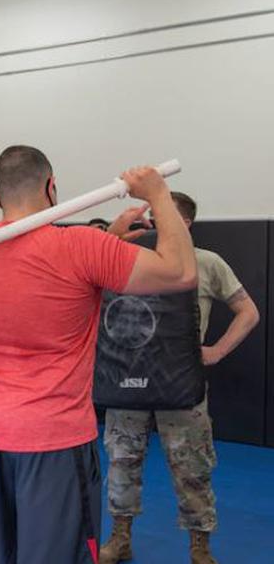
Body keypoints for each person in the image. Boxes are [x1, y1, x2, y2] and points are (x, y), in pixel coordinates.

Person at [0, 145, 198, 564]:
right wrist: (157, 194)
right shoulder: (81, 248)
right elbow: (180, 271)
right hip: (54, 438)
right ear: (52, 187)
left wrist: (109, 242)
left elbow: (39, 272)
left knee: (6, 554)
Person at [100, 192, 260, 564]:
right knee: (122, 459)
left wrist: (217, 351)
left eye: (157, 217)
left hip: (180, 386)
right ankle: (120, 537)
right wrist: (112, 235)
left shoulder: (206, 263)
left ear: (183, 224)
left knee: (193, 467)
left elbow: (247, 311)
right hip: (128, 382)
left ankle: (199, 547)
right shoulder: (126, 260)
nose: (150, 225)